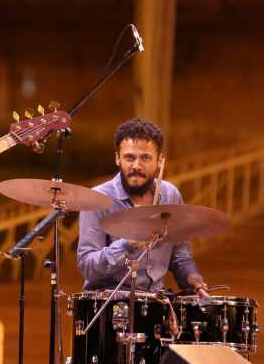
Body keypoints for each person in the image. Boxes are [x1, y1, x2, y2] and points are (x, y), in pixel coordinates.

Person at [76, 117, 209, 296]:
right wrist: (127, 245)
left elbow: (180, 256)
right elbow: (87, 266)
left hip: (155, 301)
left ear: (160, 161)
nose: (136, 166)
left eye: (145, 158)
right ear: (117, 158)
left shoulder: (170, 195)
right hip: (108, 303)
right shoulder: (96, 199)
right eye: (129, 158)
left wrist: (194, 279)